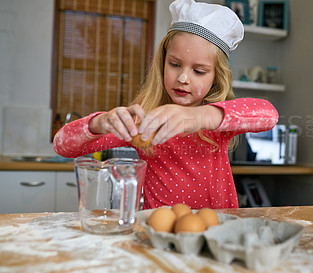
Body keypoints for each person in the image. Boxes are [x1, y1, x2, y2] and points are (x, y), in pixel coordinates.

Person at [53, 0, 279, 210]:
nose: (183, 78)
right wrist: (99, 122)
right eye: (174, 64)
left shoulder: (217, 121)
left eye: (199, 71)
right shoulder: (144, 121)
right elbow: (63, 146)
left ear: (216, 78)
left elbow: (269, 115)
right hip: (157, 234)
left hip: (217, 234)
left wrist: (199, 117)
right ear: (162, 63)